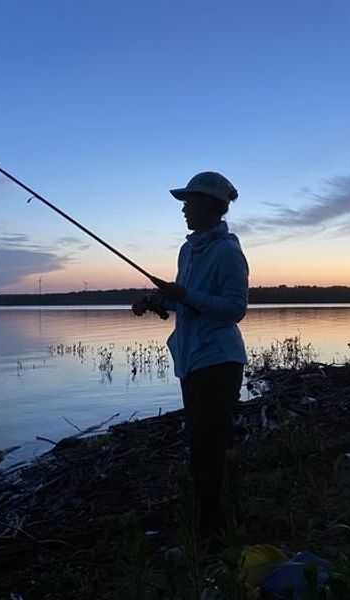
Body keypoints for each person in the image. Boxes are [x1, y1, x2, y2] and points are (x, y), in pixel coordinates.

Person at [132, 171, 249, 532]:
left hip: (218, 360)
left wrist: (185, 297)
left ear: (212, 206)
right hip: (192, 359)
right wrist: (157, 301)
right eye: (184, 202)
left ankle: (214, 526)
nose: (184, 209)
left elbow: (234, 310)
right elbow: (184, 297)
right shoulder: (189, 250)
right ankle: (213, 514)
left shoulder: (229, 252)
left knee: (208, 444)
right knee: (202, 440)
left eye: (190, 202)